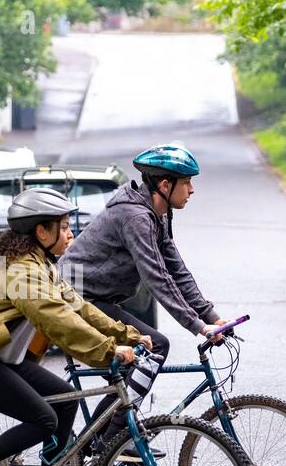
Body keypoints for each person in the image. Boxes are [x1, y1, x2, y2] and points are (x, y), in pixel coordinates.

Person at [0, 188, 152, 466]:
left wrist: (127, 334)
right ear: (42, 231)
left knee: (66, 399)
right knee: (43, 419)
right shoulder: (22, 273)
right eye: (64, 226)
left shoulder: (41, 266)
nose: (71, 233)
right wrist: (109, 350)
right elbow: (58, 320)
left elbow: (78, 307)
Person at [59, 143, 228, 444]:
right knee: (155, 347)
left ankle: (98, 446)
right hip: (75, 300)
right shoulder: (136, 218)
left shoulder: (156, 215)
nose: (191, 190)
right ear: (165, 185)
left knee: (131, 372)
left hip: (96, 300)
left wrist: (212, 316)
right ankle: (111, 443)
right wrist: (199, 326)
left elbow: (177, 270)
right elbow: (157, 278)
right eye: (187, 182)